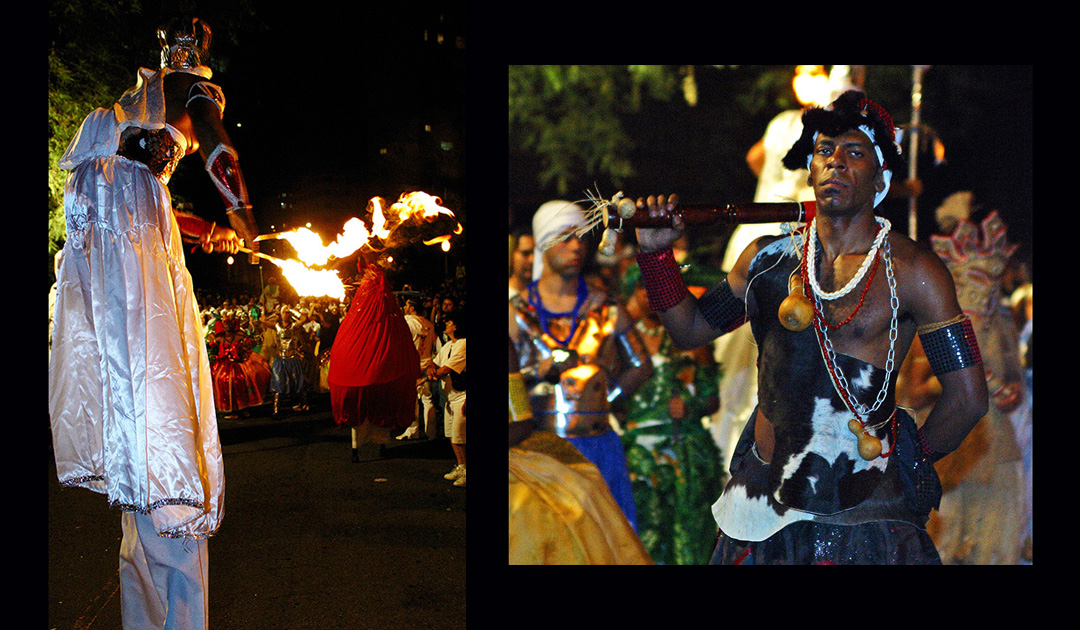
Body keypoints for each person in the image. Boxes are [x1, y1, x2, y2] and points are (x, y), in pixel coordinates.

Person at [633, 90, 988, 564]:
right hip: (761, 499)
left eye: (855, 152)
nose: (835, 162)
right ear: (810, 168)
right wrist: (656, 256)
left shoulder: (914, 270)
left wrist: (909, 461)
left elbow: (968, 397)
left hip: (867, 512)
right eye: (824, 150)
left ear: (882, 178)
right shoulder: (766, 258)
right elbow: (690, 330)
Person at [49, 14, 259, 628]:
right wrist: (244, 217)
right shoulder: (190, 89)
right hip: (131, 249)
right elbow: (221, 153)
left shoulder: (133, 110)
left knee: (135, 409)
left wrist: (212, 230)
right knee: (161, 401)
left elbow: (143, 185)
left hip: (108, 246)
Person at [509, 200, 654, 532]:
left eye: (582, 237)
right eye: (565, 236)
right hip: (539, 450)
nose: (577, 245)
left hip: (599, 447)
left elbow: (641, 365)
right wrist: (536, 373)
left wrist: (603, 397)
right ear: (543, 242)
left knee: (605, 544)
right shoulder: (515, 313)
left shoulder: (607, 308)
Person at [328, 251, 421, 462]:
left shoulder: (380, 309)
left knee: (376, 408)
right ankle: (369, 447)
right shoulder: (364, 313)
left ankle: (366, 448)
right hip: (370, 359)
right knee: (372, 408)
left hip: (375, 357)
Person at [210, 313, 272, 417]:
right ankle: (233, 409)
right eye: (225, 324)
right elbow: (211, 343)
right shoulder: (219, 337)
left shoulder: (240, 335)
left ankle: (243, 407)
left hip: (240, 362)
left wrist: (245, 346)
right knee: (222, 379)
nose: (228, 327)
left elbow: (251, 343)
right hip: (225, 364)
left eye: (229, 324)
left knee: (244, 378)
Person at [431, 310, 467, 486]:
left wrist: (433, 374)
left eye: (449, 322)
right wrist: (431, 369)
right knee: (452, 435)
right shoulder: (447, 346)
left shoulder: (464, 344)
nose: (446, 324)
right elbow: (436, 362)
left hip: (462, 396)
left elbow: (446, 369)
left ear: (457, 325)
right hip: (450, 397)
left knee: (461, 436)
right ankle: (461, 466)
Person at [398, 297, 437, 440]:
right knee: (428, 399)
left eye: (407, 305)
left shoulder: (408, 323)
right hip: (427, 362)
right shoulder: (429, 324)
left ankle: (413, 430)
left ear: (412, 308)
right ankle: (430, 432)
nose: (405, 307)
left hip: (412, 364)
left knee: (412, 399)